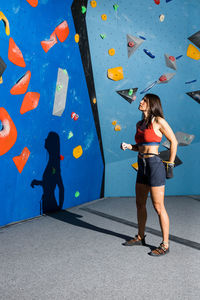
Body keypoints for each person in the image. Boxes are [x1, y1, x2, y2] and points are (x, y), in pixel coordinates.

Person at [121, 93, 177, 256]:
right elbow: (141, 146)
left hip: (154, 165)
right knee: (140, 203)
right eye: (142, 100)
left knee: (158, 207)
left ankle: (165, 244)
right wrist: (129, 146)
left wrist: (170, 164)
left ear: (151, 104)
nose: (140, 102)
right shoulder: (140, 123)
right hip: (142, 165)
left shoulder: (159, 121)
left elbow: (174, 141)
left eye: (144, 100)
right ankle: (140, 236)